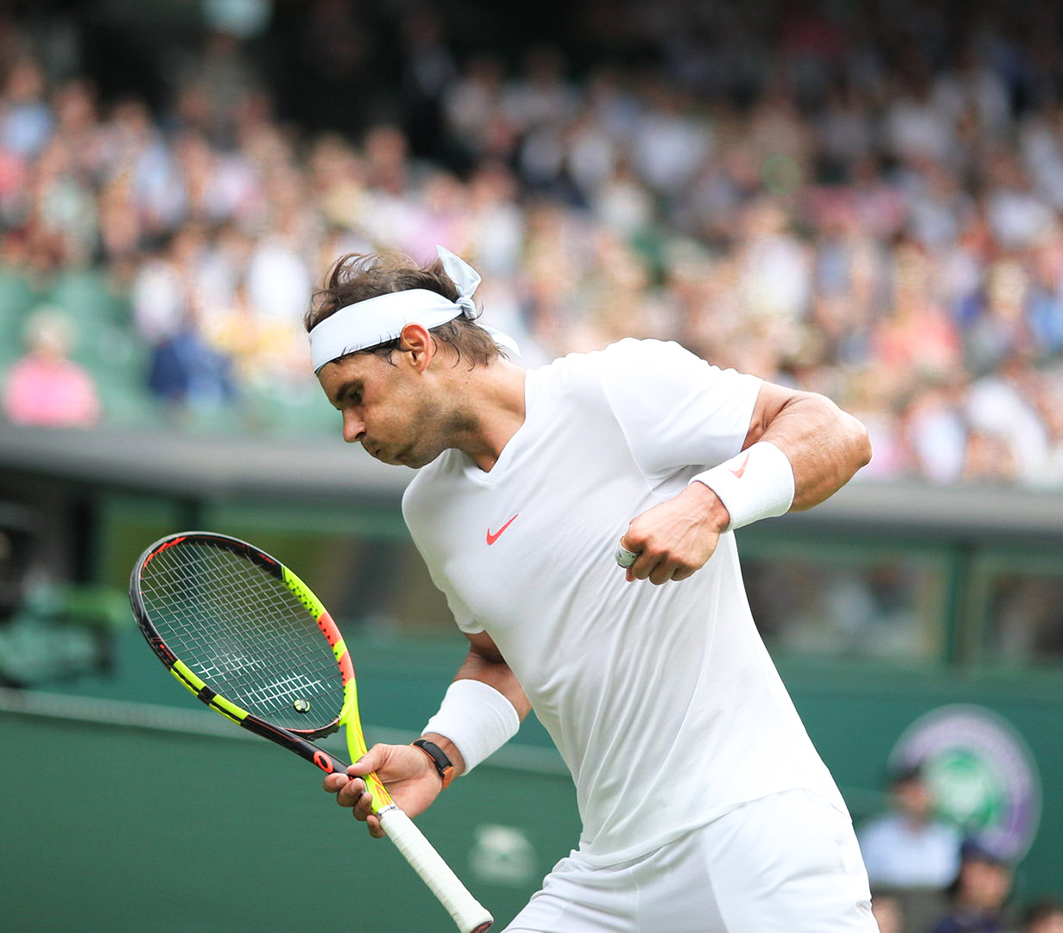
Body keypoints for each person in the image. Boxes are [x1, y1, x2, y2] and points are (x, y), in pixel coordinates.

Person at [311, 246, 875, 932]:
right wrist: (438, 752)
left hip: (754, 826)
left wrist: (709, 504)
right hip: (609, 874)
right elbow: (501, 655)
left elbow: (836, 434)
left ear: (416, 347)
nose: (351, 429)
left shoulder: (616, 387)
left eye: (354, 395)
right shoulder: (429, 509)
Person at [857, 766, 962, 933]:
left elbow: (946, 878)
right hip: (886, 914)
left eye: (920, 791)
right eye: (909, 792)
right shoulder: (874, 835)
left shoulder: (946, 837)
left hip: (936, 917)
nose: (915, 798)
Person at [2, 308, 99, 428]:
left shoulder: (77, 377)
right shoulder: (20, 373)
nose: (49, 351)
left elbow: (85, 415)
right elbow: (16, 412)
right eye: (44, 346)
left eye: (56, 345)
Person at [929, 838, 1014, 933]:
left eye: (1001, 873)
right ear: (965, 872)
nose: (998, 882)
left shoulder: (1009, 924)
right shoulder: (943, 925)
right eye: (988, 871)